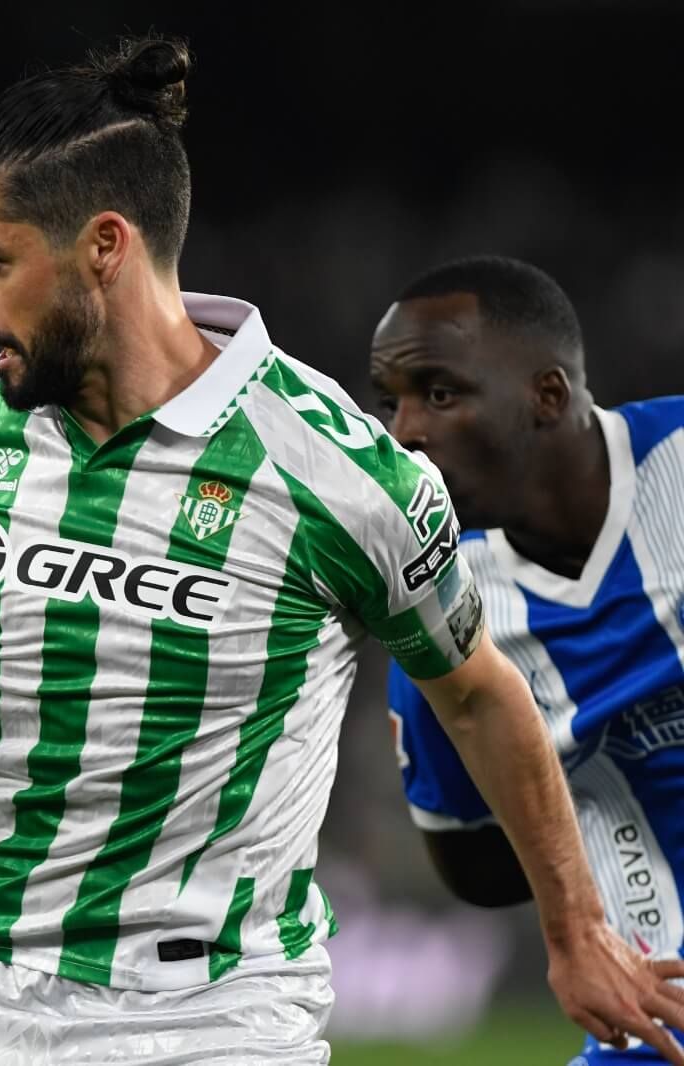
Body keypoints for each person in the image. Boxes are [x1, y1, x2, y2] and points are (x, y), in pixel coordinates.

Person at [0, 33, 684, 1065]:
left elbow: (476, 691)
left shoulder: (333, 470)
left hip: (204, 1018)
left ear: (105, 246)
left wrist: (574, 930)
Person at [373, 254, 684, 1064]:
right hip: (655, 1024)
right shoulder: (439, 606)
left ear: (547, 396)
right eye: (391, 403)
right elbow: (471, 859)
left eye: (439, 394)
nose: (404, 431)